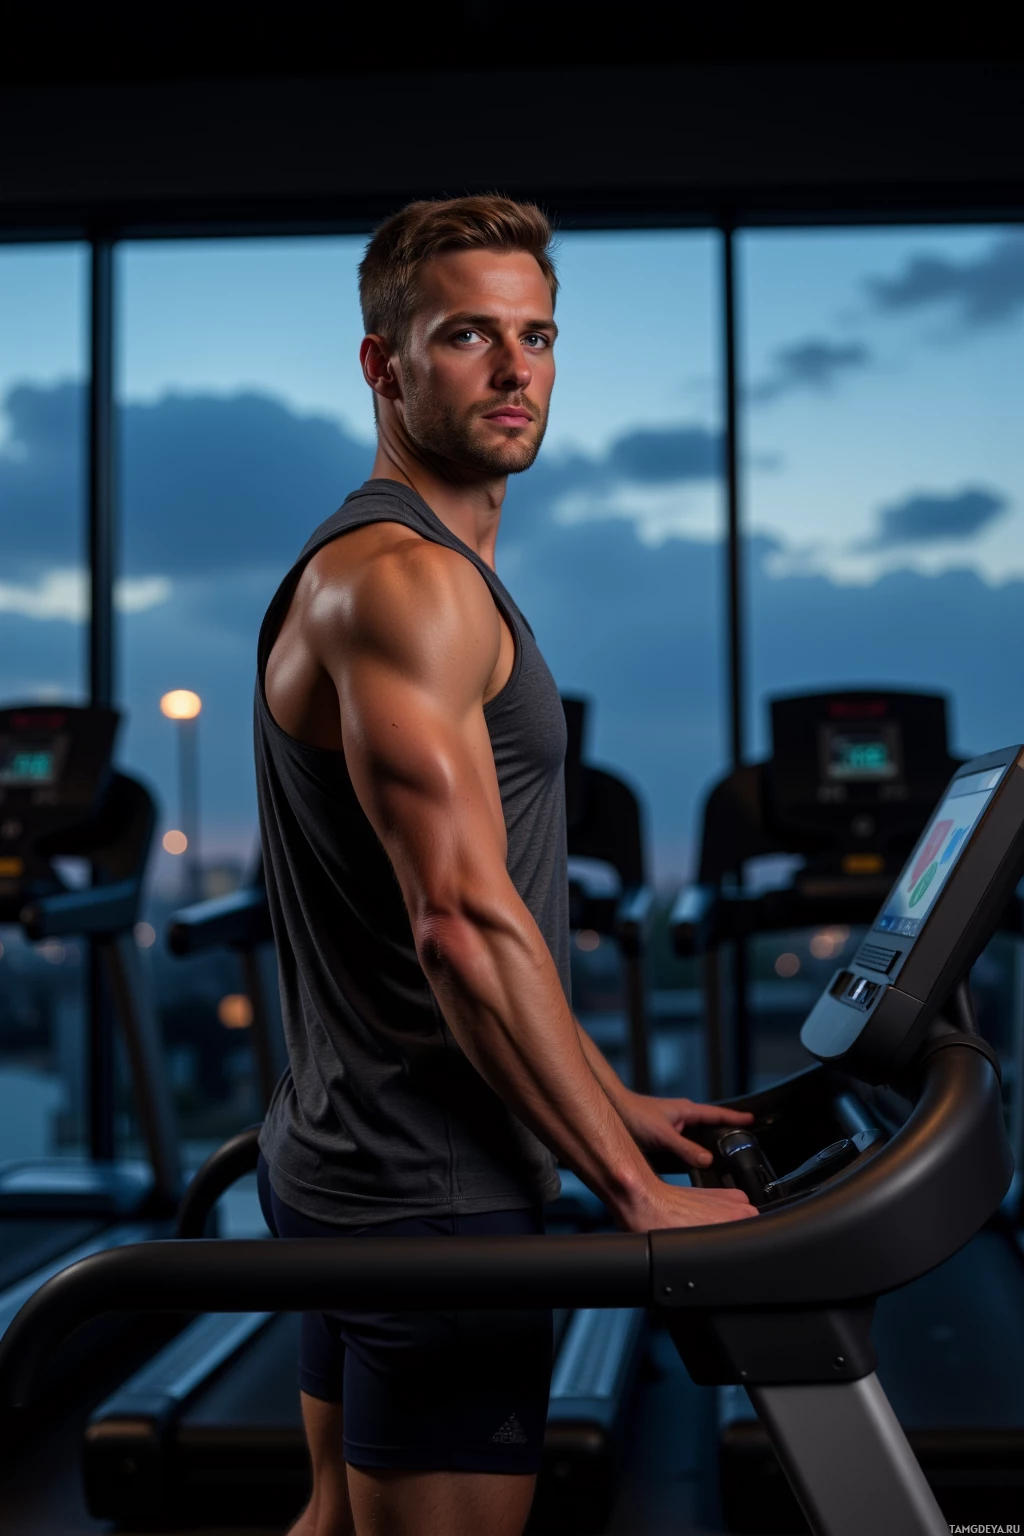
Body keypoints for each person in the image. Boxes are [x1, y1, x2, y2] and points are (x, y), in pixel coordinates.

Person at [254, 194, 756, 1536]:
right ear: (383, 362)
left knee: (336, 1524)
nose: (515, 369)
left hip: (348, 1159)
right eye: (468, 334)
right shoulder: (403, 585)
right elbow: (465, 928)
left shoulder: (421, 575)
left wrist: (606, 1095)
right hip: (427, 1194)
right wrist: (633, 1190)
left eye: (536, 336)